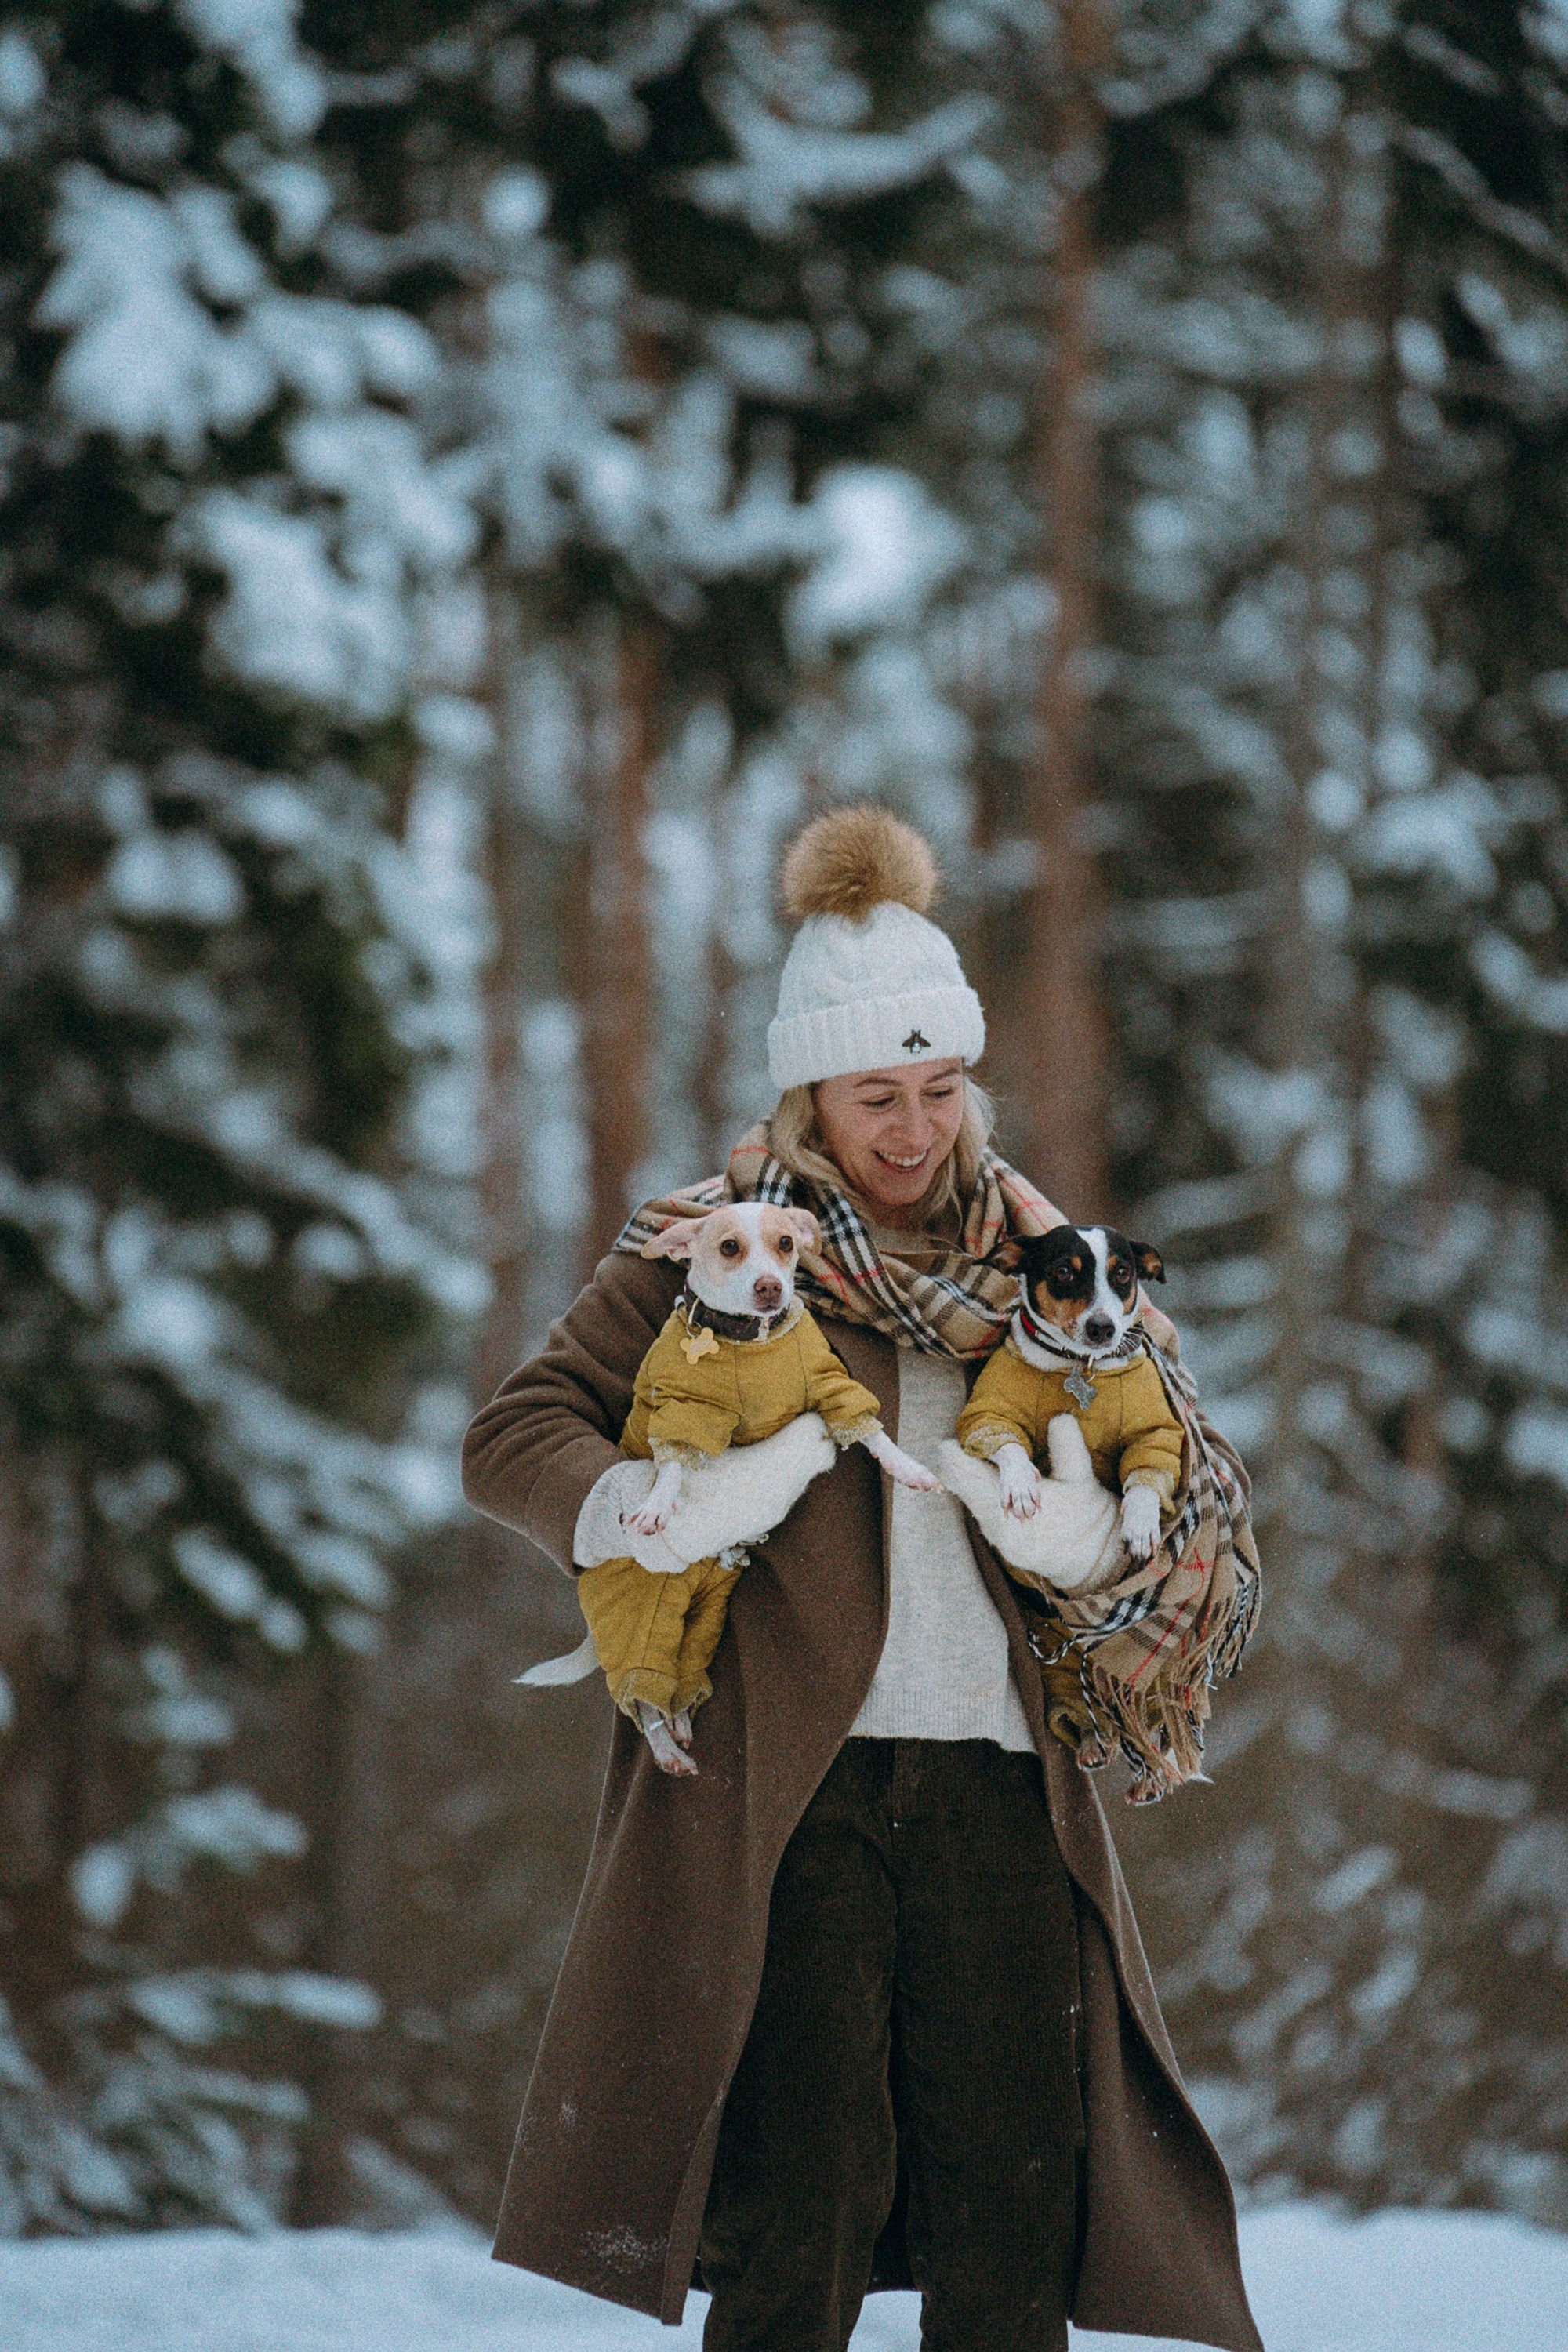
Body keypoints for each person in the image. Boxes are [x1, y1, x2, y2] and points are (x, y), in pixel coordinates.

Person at [463, 805, 1262, 2352]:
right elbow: (511, 1437)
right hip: (790, 1798)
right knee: (803, 2211)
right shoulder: (716, 1248)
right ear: (808, 1095)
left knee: (1013, 2213)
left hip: (1002, 1793)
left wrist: (1107, 1537)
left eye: (939, 1087)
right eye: (872, 1093)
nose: (911, 1128)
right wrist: (638, 1506)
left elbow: (1166, 1462)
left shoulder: (1046, 1265)